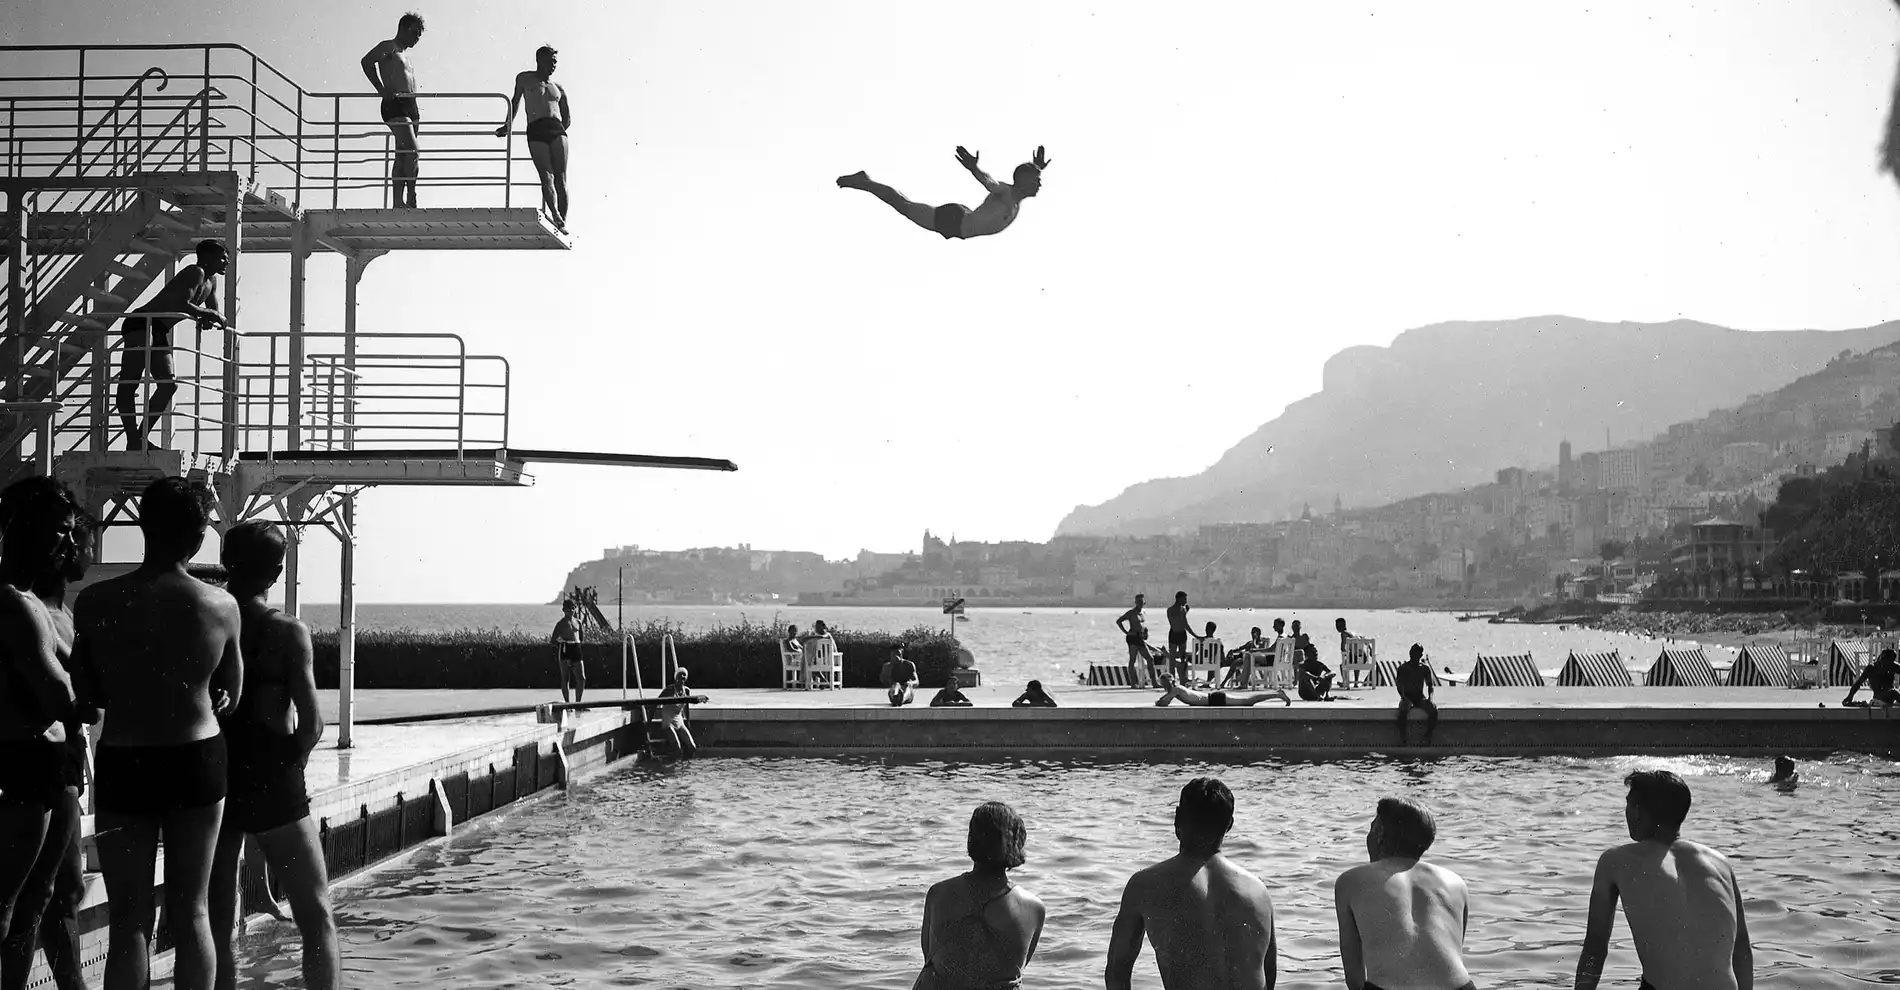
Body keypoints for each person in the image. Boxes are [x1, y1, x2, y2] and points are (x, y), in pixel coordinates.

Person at [72, 477, 242, 990]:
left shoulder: (97, 603)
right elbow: (230, 692)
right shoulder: (221, 606)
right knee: (192, 911)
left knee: (128, 920)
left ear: (143, 527)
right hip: (196, 759)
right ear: (197, 538)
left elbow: (87, 693)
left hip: (126, 759)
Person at [207, 521, 339, 990]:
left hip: (216, 769)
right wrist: (292, 764)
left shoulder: (205, 616)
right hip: (271, 772)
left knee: (217, 921)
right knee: (315, 914)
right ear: (278, 571)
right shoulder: (286, 631)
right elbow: (313, 722)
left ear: (226, 562)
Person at [3, 487, 94, 990]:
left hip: (51, 763)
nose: (71, 541)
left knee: (51, 895)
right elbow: (65, 697)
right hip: (25, 761)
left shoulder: (43, 607)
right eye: (60, 529)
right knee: (16, 900)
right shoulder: (19, 604)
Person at [1574, 770, 1753, 990]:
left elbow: (1595, 948)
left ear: (1639, 811)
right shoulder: (1720, 863)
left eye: (1629, 804)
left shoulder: (1615, 860)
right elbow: (1741, 949)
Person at [1106, 777, 1278, 990]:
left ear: (1177, 817)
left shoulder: (1146, 885)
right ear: (1229, 825)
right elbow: (1269, 978)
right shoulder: (1258, 891)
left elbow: (1117, 972)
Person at [1334, 797, 1474, 990]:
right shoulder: (1456, 882)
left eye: (1371, 828)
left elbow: (1355, 979)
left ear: (1379, 834)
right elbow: (1453, 954)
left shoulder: (1350, 880)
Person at [915, 802, 1046, 990]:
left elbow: (928, 955)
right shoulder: (1033, 908)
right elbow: (1019, 965)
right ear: (1016, 843)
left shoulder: (938, 894)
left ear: (971, 840)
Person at [118, 239, 228, 450]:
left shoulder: (212, 280)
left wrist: (208, 316)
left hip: (159, 328)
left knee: (168, 385)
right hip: (142, 323)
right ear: (206, 257)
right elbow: (181, 303)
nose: (226, 262)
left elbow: (212, 311)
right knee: (130, 383)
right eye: (222, 257)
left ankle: (138, 439)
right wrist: (208, 313)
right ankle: (133, 438)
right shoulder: (194, 272)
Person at [838, 145, 1050, 240]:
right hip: (954, 221)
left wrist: (1036, 167)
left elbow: (1025, 175)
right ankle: (865, 181)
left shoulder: (1015, 201)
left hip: (963, 223)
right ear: (1024, 182)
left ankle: (866, 182)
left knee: (907, 206)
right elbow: (990, 183)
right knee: (905, 206)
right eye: (1036, 181)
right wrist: (974, 169)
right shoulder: (1006, 192)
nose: (1040, 185)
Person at [496, 45, 571, 232]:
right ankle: (554, 213)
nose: (553, 65)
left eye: (555, 62)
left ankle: (562, 222)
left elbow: (567, 117)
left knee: (561, 178)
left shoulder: (558, 88)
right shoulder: (524, 79)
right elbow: (515, 102)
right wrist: (508, 125)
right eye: (550, 61)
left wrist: (560, 130)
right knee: (546, 176)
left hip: (556, 128)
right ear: (539, 60)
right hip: (536, 129)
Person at [361, 13, 426, 208]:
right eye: (415, 32)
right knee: (413, 151)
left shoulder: (406, 55)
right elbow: (366, 62)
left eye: (419, 35)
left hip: (410, 106)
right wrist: (380, 89)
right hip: (395, 104)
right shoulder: (389, 47)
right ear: (404, 28)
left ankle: (398, 202)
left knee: (402, 154)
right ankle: (411, 196)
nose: (417, 38)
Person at [1153, 673, 1290, 709]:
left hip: (1215, 698)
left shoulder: (1176, 689)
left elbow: (1164, 703)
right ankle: (1277, 693)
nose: (1164, 687)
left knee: (1249, 701)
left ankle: (1277, 693)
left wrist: (1160, 700)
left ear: (1170, 682)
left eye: (1164, 684)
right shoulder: (1174, 690)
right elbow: (1164, 700)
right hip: (1213, 699)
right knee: (1248, 701)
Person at [1396, 643, 1439, 746]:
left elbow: (1430, 685)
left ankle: (1427, 736)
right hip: (1407, 696)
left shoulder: (1424, 668)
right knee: (1403, 710)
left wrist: (1430, 699)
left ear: (1420, 655)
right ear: (1410, 654)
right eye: (1413, 653)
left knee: (1434, 710)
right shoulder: (1403, 668)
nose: (1414, 656)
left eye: (1417, 654)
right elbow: (1399, 685)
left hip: (1419, 697)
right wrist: (1404, 698)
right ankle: (1403, 738)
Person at [655, 668, 697, 757]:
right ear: (675, 677)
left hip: (679, 721)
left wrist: (688, 722)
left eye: (684, 674)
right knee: (677, 748)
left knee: (692, 747)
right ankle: (674, 768)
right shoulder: (669, 690)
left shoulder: (687, 691)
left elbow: (686, 708)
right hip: (668, 721)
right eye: (680, 674)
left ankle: (686, 766)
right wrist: (649, 722)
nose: (682, 676)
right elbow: (654, 703)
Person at [549, 599, 585, 704]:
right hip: (565, 650)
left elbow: (581, 638)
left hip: (576, 649)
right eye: (568, 609)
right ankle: (567, 703)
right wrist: (563, 644)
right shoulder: (560, 624)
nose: (571, 611)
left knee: (582, 678)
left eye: (573, 608)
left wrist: (576, 647)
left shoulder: (578, 622)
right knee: (566, 678)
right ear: (564, 610)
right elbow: (553, 641)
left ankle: (578, 703)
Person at [1117, 594, 1154, 689]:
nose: (1140, 604)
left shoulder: (1142, 613)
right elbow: (1119, 621)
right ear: (1136, 603)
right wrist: (1126, 632)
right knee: (1132, 660)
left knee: (1150, 658)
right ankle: (1133, 683)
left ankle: (1154, 682)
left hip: (1140, 638)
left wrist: (1145, 632)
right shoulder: (1131, 613)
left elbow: (1142, 626)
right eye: (1139, 602)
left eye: (1142, 602)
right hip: (1132, 638)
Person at [1165, 592, 1193, 679]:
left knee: (1183, 657)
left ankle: (1183, 678)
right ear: (1178, 599)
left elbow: (1185, 625)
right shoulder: (1170, 610)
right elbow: (1174, 623)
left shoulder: (1183, 610)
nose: (1186, 601)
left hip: (1182, 635)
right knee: (1172, 659)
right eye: (1184, 599)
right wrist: (1183, 613)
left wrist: (1196, 636)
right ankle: (1172, 679)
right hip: (1174, 634)